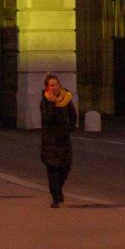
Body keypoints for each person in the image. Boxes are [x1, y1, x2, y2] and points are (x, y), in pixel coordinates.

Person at [40, 74, 78, 208]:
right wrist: (52, 103)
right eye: (51, 85)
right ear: (47, 87)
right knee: (53, 170)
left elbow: (73, 116)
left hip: (63, 139)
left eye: (56, 84)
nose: (54, 87)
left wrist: (69, 129)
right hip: (50, 140)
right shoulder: (45, 101)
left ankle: (58, 189)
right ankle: (55, 198)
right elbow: (47, 118)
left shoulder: (66, 99)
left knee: (65, 168)